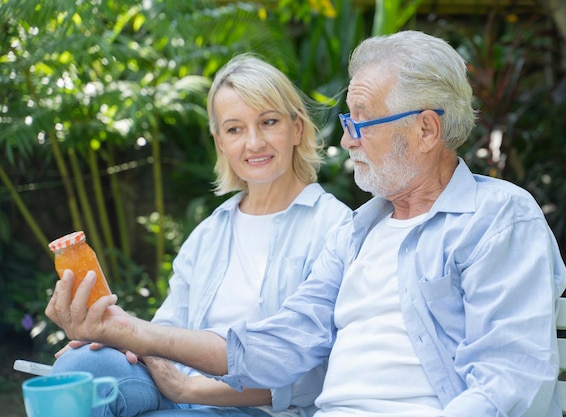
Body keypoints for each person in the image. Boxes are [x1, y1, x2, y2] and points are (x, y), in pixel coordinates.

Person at [46, 30, 566, 417]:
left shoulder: (498, 217)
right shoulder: (357, 234)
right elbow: (277, 347)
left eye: (359, 121)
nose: (347, 140)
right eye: (347, 124)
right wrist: (125, 331)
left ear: (426, 130)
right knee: (83, 379)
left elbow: (508, 383)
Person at [49, 54, 352, 417]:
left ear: (297, 128)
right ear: (220, 141)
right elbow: (165, 332)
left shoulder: (335, 226)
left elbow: (314, 374)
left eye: (268, 122)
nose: (253, 142)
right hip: (177, 392)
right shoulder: (210, 232)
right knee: (79, 369)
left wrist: (187, 387)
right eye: (235, 129)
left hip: (258, 409)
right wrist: (113, 333)